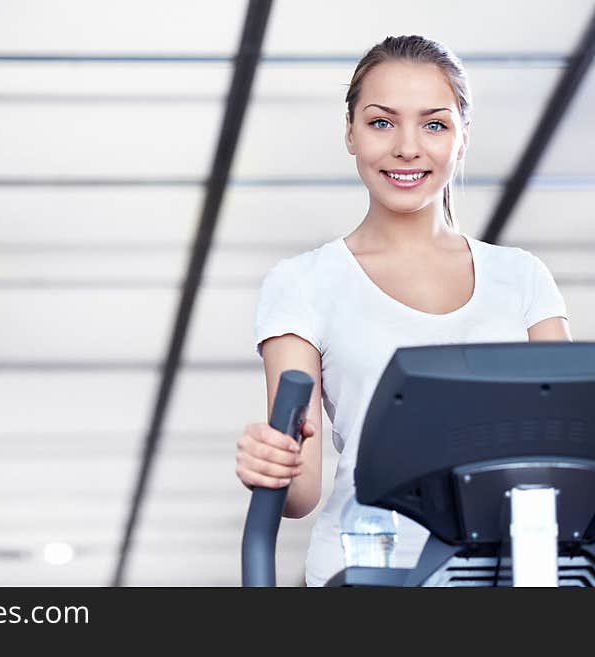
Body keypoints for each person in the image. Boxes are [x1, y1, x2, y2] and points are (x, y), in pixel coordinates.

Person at [234, 35, 572, 587]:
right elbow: (302, 494)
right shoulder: (303, 283)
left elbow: (571, 443)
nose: (408, 148)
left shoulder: (522, 278)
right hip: (368, 568)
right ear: (350, 133)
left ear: (462, 139)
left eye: (434, 124)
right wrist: (275, 464)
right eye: (382, 122)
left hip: (505, 572)